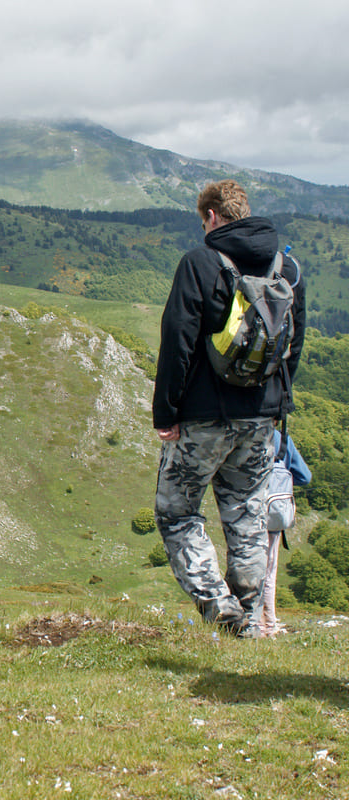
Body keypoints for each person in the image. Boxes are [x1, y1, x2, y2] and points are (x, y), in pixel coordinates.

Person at [152, 179, 305, 636]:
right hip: (260, 417)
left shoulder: (201, 263)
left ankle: (217, 603)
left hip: (202, 417)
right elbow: (293, 346)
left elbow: (177, 339)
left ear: (212, 216)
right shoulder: (286, 268)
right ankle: (252, 621)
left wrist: (167, 412)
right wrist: (277, 403)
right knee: (247, 514)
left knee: (176, 512)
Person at [259, 429, 311, 637]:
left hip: (244, 514)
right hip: (273, 517)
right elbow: (305, 477)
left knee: (242, 567)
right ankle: (268, 626)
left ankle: (245, 621)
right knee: (268, 573)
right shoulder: (281, 439)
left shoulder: (239, 429)